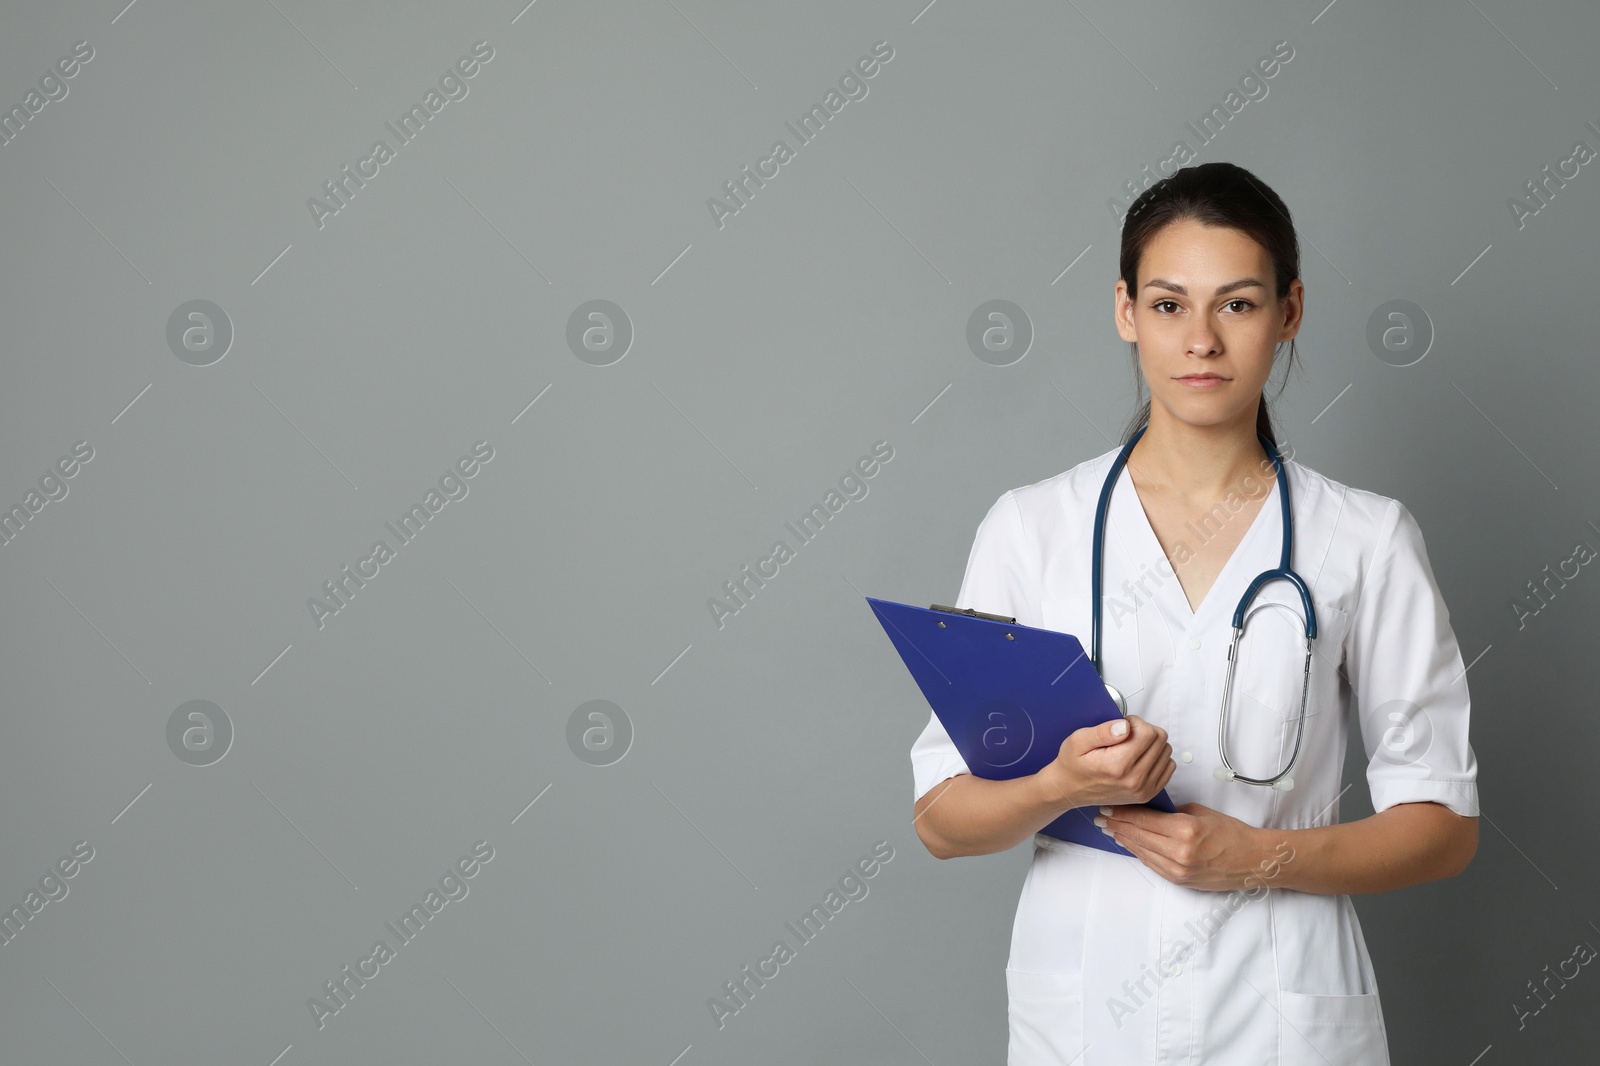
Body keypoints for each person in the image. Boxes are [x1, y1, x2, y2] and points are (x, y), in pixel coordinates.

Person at [908, 162, 1479, 1065]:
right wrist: (1062, 785)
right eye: (1170, 305)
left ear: (1289, 313)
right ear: (1126, 312)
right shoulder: (1032, 527)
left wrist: (1260, 859)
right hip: (1089, 1007)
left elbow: (1443, 828)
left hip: (1282, 1006)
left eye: (1239, 305)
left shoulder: (1365, 539)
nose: (1202, 340)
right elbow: (941, 820)